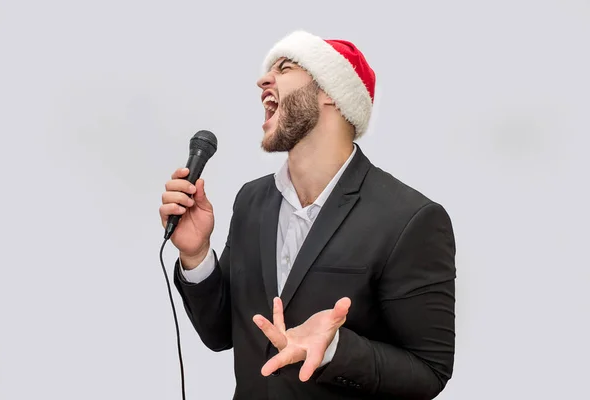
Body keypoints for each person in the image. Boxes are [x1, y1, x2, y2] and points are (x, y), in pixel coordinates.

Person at [159, 30, 457, 400]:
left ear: (332, 92)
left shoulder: (410, 218)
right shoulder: (251, 201)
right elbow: (220, 334)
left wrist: (335, 349)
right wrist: (196, 255)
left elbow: (429, 372)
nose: (263, 79)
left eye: (285, 68)